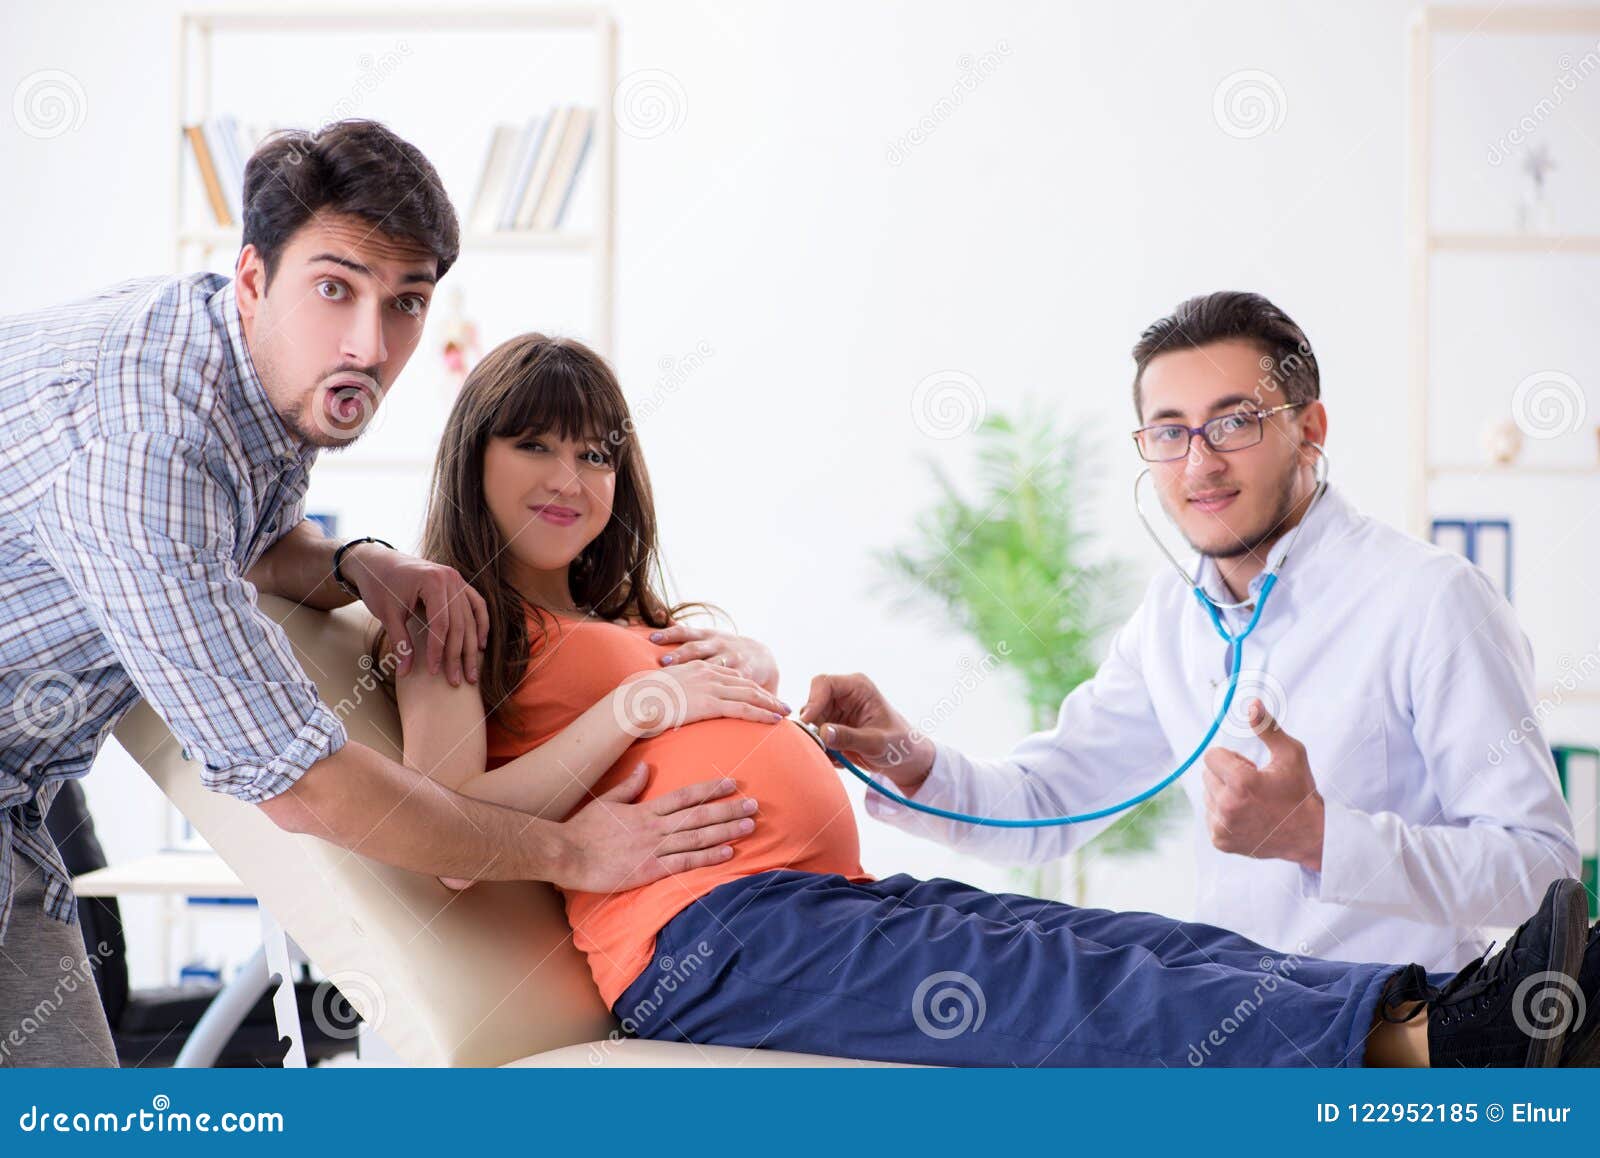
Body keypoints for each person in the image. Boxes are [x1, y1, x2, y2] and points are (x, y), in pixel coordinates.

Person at [390, 330, 1599, 1067]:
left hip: (804, 909)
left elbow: (1054, 800)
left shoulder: (1425, 600)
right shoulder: (457, 614)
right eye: (537, 447)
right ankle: (1452, 1043)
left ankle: (1452, 1017)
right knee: (1060, 987)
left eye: (596, 452)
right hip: (714, 943)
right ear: (474, 453)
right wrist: (646, 709)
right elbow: (443, 825)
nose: (571, 477)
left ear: (1307, 430)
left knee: (1115, 941)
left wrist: (717, 684)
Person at [0, 121, 753, 1068]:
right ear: (251, 278)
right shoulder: (145, 450)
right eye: (334, 288)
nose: (369, 343)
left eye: (405, 302)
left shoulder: (244, 376)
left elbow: (248, 548)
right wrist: (582, 853)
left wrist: (356, 561)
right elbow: (305, 786)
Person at [806, 291, 1580, 975]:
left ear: (1309, 428)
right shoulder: (1172, 617)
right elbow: (1048, 802)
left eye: (1234, 422)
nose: (1198, 462)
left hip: (1398, 1044)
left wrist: (1317, 837)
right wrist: (906, 756)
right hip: (1238, 1033)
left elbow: (1544, 874)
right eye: (1169, 432)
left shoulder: (1432, 601)